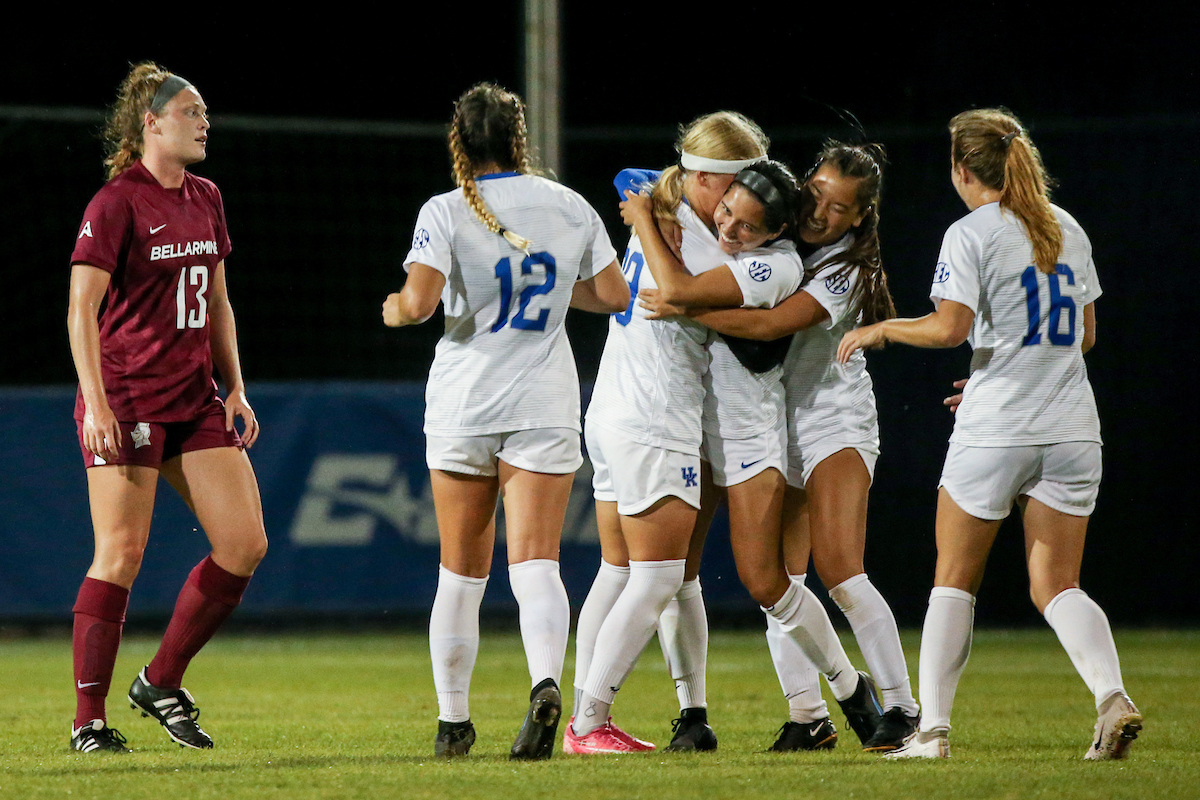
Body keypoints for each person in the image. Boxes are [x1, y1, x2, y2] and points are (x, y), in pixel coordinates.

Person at [838, 108, 1141, 760]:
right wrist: (1008, 365)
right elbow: (1083, 336)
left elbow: (948, 328)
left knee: (953, 578)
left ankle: (935, 733)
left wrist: (882, 329)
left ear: (962, 169)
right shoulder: (1068, 227)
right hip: (1073, 432)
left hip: (998, 430)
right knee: (1058, 585)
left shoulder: (971, 232)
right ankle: (1111, 695)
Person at [382, 82, 628, 761]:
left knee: (460, 573)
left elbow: (422, 301)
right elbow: (613, 295)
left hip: (466, 403)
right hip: (543, 402)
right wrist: (546, 291)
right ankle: (546, 684)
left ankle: (453, 723)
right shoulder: (570, 206)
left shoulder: (448, 208)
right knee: (537, 565)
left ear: (459, 142)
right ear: (520, 140)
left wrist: (397, 308)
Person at [639, 142, 908, 751]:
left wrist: (687, 307)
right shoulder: (784, 241)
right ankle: (808, 716)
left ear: (860, 218)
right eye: (816, 195)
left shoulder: (843, 267)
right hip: (783, 423)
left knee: (840, 572)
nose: (822, 213)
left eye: (840, 209)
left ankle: (901, 706)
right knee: (780, 582)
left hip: (835, 421)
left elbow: (766, 328)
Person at [66, 63, 267, 753]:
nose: (204, 122)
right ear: (151, 123)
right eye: (191, 111)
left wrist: (235, 387)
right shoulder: (116, 202)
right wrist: (96, 404)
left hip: (192, 398)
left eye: (204, 112)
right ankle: (88, 722)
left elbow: (216, 301)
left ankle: (159, 680)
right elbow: (80, 309)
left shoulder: (206, 195)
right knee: (120, 554)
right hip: (126, 399)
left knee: (244, 546)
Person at [567, 111, 769, 754]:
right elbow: (686, 287)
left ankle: (580, 713)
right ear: (705, 177)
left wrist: (646, 205)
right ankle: (588, 722)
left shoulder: (667, 207)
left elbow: (637, 177)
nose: (747, 201)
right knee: (658, 576)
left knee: (620, 569)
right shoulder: (705, 242)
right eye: (738, 183)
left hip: (613, 409)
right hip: (656, 417)